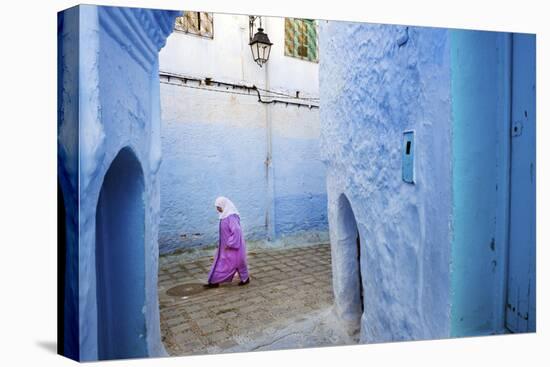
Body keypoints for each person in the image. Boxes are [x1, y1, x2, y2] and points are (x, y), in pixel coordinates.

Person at [204, 196, 250, 288]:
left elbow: (236, 230)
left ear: (224, 205)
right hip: (225, 247)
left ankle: (215, 282)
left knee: (234, 263)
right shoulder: (224, 215)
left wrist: (230, 243)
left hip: (231, 247)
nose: (217, 209)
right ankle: (215, 281)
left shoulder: (231, 216)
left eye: (218, 207)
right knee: (232, 263)